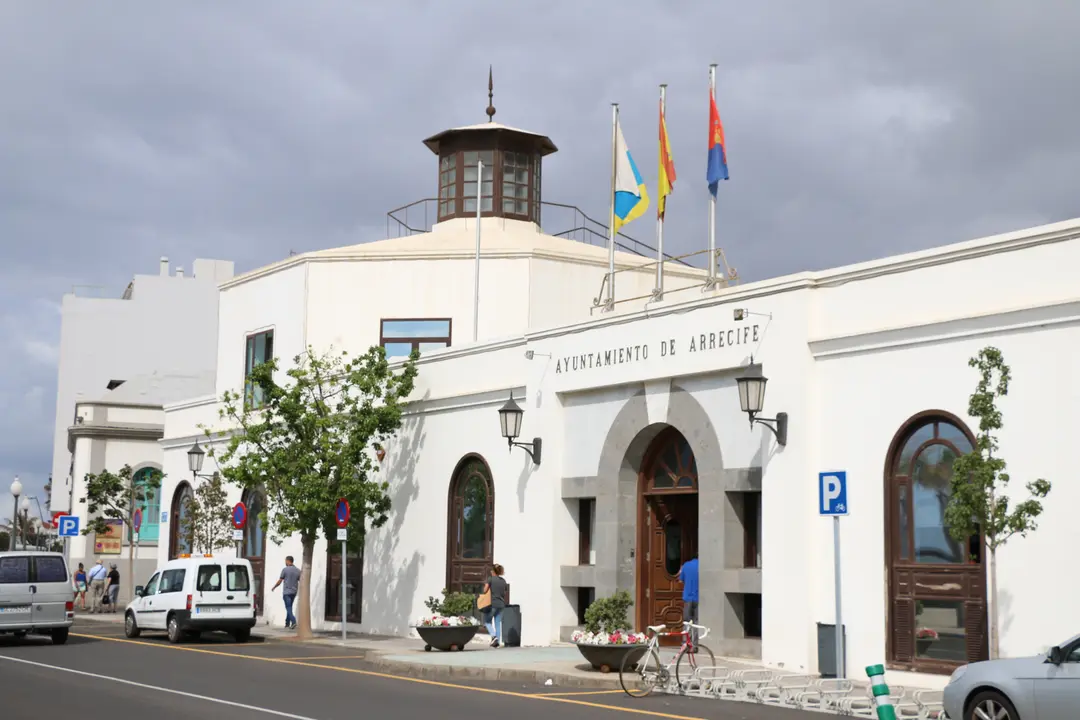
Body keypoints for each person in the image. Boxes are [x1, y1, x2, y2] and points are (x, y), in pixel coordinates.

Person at [482, 564, 508, 648]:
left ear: (493, 571)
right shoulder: (503, 581)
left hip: (492, 604)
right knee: (497, 623)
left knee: (487, 621)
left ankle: (494, 637)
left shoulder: (490, 579)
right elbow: (504, 593)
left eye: (491, 570)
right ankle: (497, 643)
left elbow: (485, 590)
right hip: (501, 604)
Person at [271, 556, 301, 630]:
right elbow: (300, 580)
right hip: (294, 592)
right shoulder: (298, 570)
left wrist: (274, 587)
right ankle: (287, 623)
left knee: (288, 607)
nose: (285, 562)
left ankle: (293, 621)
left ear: (288, 561)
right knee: (289, 607)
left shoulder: (285, 570)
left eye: (285, 561)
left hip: (287, 592)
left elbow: (280, 580)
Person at [677, 552, 700, 648]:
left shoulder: (686, 565)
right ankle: (695, 645)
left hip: (688, 597)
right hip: (699, 598)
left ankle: (686, 643)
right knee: (696, 622)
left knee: (687, 621)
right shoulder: (702, 565)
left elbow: (680, 579)